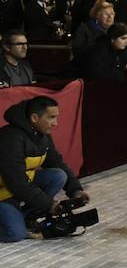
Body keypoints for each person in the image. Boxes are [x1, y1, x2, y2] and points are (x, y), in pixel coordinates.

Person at [0, 94, 90, 241]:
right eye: (51, 117)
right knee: (15, 234)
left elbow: (57, 163)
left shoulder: (42, 135)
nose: (55, 123)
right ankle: (15, 221)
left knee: (58, 175)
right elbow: (17, 182)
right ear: (34, 118)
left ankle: (26, 217)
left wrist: (75, 190)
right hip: (3, 193)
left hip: (14, 189)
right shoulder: (11, 138)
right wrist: (49, 205)